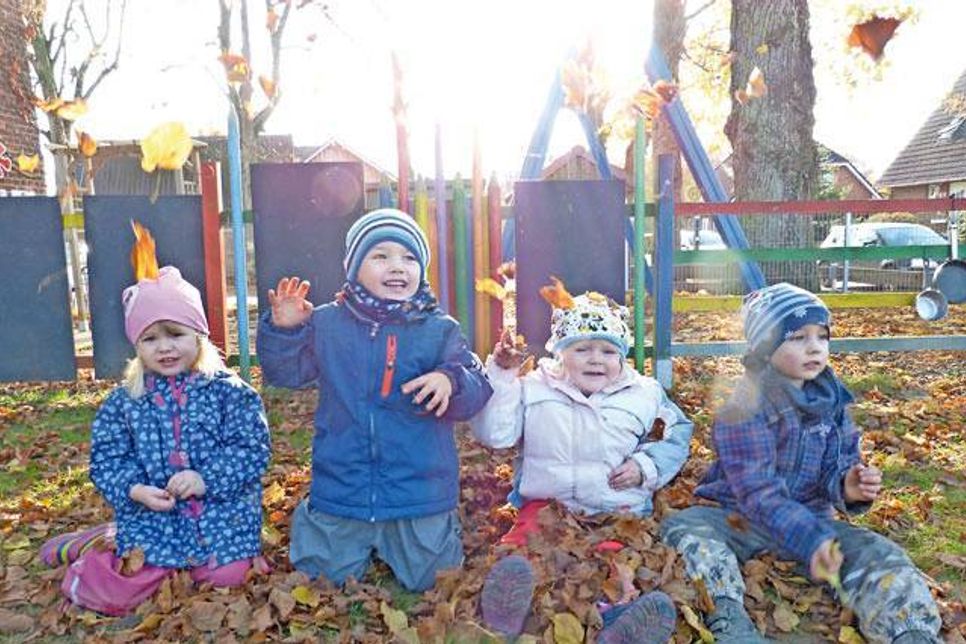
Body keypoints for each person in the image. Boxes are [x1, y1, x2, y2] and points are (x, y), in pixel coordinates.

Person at [660, 283, 942, 644]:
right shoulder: (743, 408)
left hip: (814, 524)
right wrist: (811, 539)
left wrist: (846, 486)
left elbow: (840, 463)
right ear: (765, 348)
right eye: (797, 337)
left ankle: (910, 631)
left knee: (880, 551)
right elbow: (757, 492)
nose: (814, 347)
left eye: (821, 336)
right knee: (688, 530)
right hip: (742, 519)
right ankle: (729, 617)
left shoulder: (832, 400)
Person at [257, 208, 492, 592]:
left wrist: (450, 379)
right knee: (318, 577)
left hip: (418, 490)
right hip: (342, 485)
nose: (397, 267)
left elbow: (475, 386)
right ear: (352, 267)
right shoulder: (327, 323)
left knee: (432, 581)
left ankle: (420, 540)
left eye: (409, 258)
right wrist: (286, 332)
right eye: (380, 256)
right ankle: (325, 532)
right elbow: (286, 374)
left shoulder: (438, 330)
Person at [470, 288, 692, 643]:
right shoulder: (534, 389)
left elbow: (675, 435)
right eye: (581, 349)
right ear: (560, 353)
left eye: (608, 351)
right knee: (523, 549)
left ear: (623, 355)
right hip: (546, 506)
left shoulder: (644, 394)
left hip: (614, 509)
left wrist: (645, 466)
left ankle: (620, 621)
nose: (595, 359)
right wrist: (502, 376)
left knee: (616, 563)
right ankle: (508, 610)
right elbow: (496, 434)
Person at [57, 265, 271, 616]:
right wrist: (135, 490)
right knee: (121, 590)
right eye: (150, 338)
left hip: (220, 511)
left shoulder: (230, 393)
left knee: (229, 577)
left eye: (175, 334)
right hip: (154, 515)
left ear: (198, 334)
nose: (165, 347)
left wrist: (206, 479)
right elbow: (107, 459)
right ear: (137, 345)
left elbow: (251, 449)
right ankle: (96, 545)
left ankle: (207, 560)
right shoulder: (124, 401)